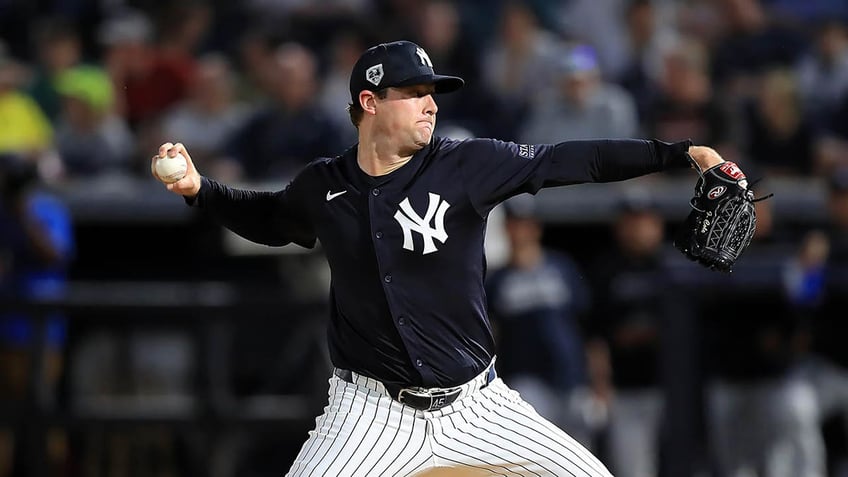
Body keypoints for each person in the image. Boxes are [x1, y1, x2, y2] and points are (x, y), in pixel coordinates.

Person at [151, 39, 729, 476]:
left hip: (479, 402)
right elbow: (269, 219)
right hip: (369, 413)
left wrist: (680, 151)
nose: (430, 105)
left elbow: (572, 160)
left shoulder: (465, 165)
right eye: (415, 93)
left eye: (433, 93)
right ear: (369, 102)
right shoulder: (324, 186)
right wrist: (199, 189)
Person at [485, 194, 599, 451]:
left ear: (536, 228)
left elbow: (587, 328)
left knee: (579, 454)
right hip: (526, 379)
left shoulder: (561, 267)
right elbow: (490, 334)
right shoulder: (497, 280)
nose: (519, 231)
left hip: (571, 377)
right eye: (514, 224)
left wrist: (599, 381)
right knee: (537, 453)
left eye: (525, 224)